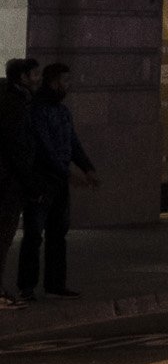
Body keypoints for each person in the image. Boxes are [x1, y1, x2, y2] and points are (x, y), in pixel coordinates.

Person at [20, 62, 97, 299]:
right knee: (34, 234)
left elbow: (72, 143)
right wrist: (68, 172)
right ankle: (27, 286)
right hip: (42, 180)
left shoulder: (62, 111)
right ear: (54, 82)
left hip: (58, 181)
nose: (68, 85)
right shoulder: (38, 110)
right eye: (65, 81)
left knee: (57, 233)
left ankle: (54, 283)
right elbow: (44, 147)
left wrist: (87, 167)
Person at [0, 59, 38, 311]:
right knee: (2, 237)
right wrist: (30, 181)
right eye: (34, 74)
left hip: (8, 179)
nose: (37, 79)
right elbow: (18, 148)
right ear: (23, 77)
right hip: (8, 183)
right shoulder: (16, 104)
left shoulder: (12, 100)